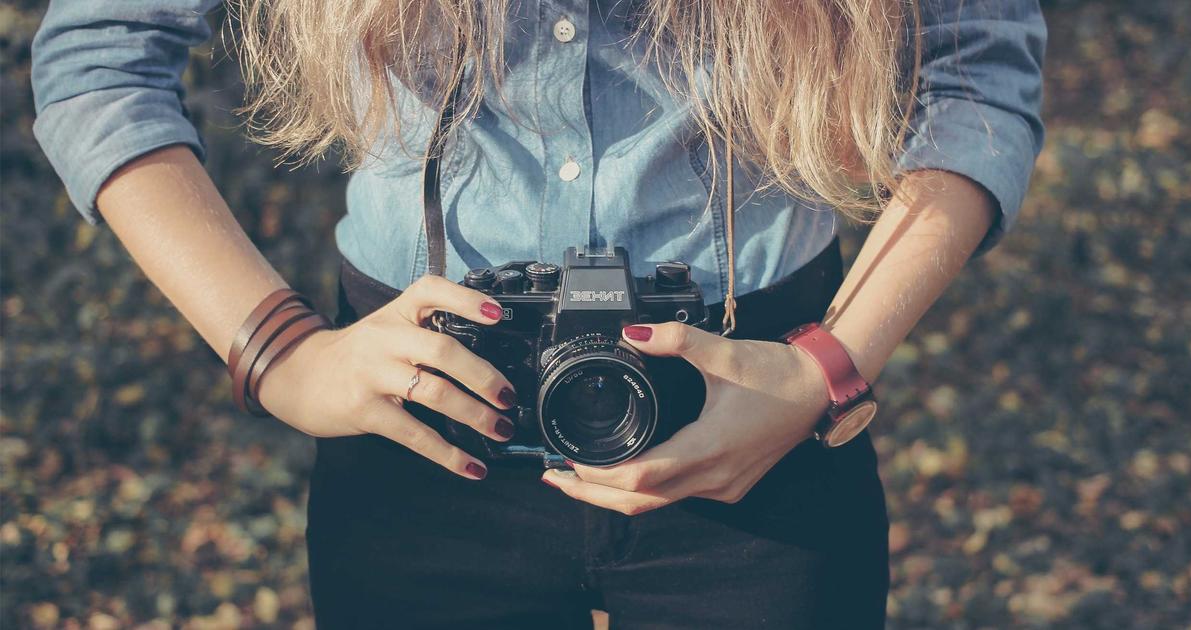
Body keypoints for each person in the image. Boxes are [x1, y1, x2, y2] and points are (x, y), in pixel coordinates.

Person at [31, 0, 1045, 627]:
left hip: (759, 396)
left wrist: (828, 366)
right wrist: (279, 353)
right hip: (429, 414)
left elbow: (977, 73)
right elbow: (100, 56)